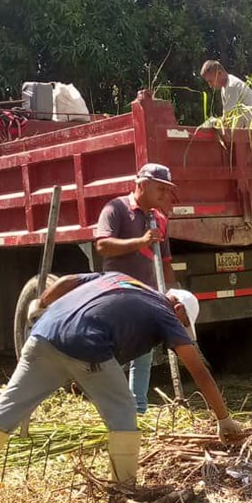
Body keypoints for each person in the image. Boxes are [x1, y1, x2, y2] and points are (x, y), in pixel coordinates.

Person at [0, 272, 243, 503]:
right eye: (183, 324)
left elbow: (67, 281)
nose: (179, 329)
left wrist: (40, 304)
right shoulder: (165, 312)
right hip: (87, 346)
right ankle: (122, 497)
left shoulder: (120, 278)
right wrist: (223, 419)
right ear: (178, 309)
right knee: (124, 412)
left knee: (8, 409)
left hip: (42, 335)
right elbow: (198, 370)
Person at [95, 163, 178, 414]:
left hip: (146, 295)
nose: (165, 195)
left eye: (167, 190)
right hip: (117, 293)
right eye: (160, 189)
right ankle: (110, 406)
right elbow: (103, 246)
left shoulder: (159, 219)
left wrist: (172, 292)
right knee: (113, 354)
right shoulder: (116, 209)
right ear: (141, 184)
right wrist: (140, 242)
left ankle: (137, 409)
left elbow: (165, 262)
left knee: (143, 355)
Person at [199, 60, 252, 129]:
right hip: (245, 130)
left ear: (219, 73)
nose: (210, 85)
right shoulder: (225, 88)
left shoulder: (231, 86)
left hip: (251, 132)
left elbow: (228, 118)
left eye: (210, 81)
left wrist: (213, 124)